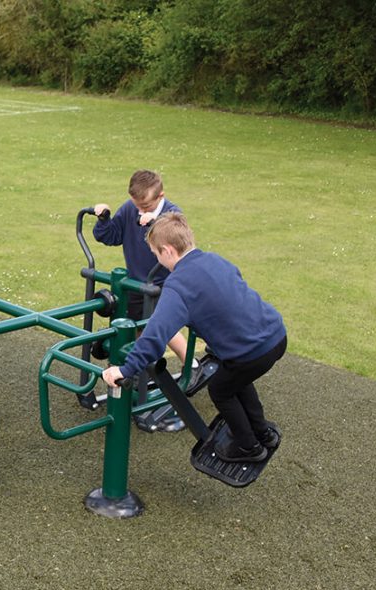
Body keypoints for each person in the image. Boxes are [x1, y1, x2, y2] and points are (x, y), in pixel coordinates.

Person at [101, 213, 287, 463]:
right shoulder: (215, 260)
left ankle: (248, 447)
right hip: (276, 334)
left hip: (251, 352)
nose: (157, 259)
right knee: (234, 376)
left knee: (221, 390)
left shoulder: (178, 286)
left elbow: (156, 335)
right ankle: (263, 433)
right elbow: (232, 291)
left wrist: (125, 369)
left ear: (167, 250)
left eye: (156, 253)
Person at [93, 169, 194, 370]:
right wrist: (104, 219)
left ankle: (193, 366)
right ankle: (143, 372)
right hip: (137, 284)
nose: (140, 209)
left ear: (160, 196)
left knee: (159, 323)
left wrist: (156, 225)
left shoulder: (173, 215)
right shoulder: (130, 209)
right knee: (137, 327)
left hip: (164, 282)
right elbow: (111, 236)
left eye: (145, 205)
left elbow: (178, 247)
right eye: (136, 204)